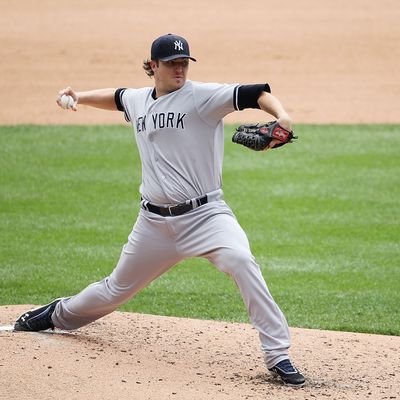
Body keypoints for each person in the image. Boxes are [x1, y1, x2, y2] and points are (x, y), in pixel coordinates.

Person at [14, 33, 305, 387]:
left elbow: (256, 93)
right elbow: (119, 98)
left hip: (206, 217)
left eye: (183, 62)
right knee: (114, 290)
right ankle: (56, 314)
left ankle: (278, 355)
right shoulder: (140, 100)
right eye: (171, 63)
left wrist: (283, 117)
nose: (179, 68)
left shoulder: (202, 97)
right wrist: (80, 97)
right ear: (153, 66)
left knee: (242, 261)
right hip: (152, 224)